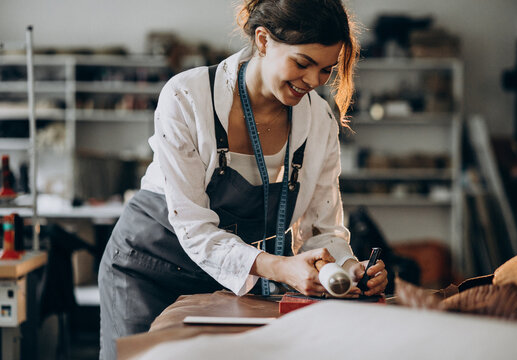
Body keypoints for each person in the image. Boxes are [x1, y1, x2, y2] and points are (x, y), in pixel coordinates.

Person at [98, 0, 388, 358]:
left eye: (326, 70)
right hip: (147, 268)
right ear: (263, 41)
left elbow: (322, 230)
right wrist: (281, 267)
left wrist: (349, 268)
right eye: (303, 63)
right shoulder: (187, 97)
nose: (314, 82)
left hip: (230, 278)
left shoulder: (319, 121)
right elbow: (195, 228)